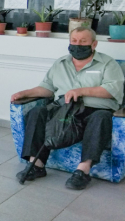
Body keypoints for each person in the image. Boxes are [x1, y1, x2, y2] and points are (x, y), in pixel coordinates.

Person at [11, 27, 124, 190]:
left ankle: (83, 171)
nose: (78, 45)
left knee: (101, 118)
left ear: (94, 44)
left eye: (83, 41)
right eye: (74, 41)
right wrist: (24, 93)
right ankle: (36, 164)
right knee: (37, 113)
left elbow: (113, 90)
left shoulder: (108, 64)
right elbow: (47, 88)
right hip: (64, 109)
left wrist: (81, 91)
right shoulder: (60, 63)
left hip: (95, 110)